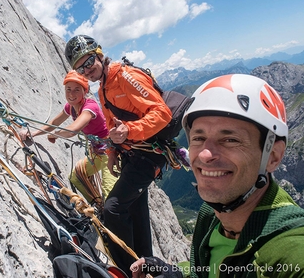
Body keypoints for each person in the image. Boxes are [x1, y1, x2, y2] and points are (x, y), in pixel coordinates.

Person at [130, 74, 304, 278]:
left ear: (273, 157)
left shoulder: (292, 256)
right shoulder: (211, 217)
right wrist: (176, 274)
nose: (204, 154)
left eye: (230, 140)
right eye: (198, 138)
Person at [65, 35, 173, 276]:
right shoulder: (103, 87)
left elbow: (162, 113)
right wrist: (113, 153)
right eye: (81, 66)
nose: (88, 68)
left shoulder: (125, 76)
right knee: (136, 211)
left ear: (100, 54)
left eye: (90, 60)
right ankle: (146, 266)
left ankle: (127, 270)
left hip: (148, 156)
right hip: (132, 156)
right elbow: (114, 124)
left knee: (113, 210)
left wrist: (131, 131)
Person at [19, 70, 117, 205]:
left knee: (110, 193)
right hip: (97, 152)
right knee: (76, 177)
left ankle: (110, 219)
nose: (71, 94)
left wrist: (55, 135)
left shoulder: (90, 107)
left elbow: (73, 130)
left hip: (112, 152)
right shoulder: (70, 107)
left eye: (77, 89)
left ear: (85, 91)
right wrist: (34, 133)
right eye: (68, 89)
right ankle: (97, 207)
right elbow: (54, 123)